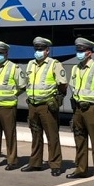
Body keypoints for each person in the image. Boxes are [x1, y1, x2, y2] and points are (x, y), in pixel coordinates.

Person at [67, 37, 94, 182]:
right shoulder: (75, 68)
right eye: (77, 50)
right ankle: (81, 169)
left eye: (82, 51)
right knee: (79, 139)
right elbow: (72, 86)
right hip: (78, 108)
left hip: (92, 108)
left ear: (89, 53)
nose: (79, 53)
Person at [22, 37, 68, 176]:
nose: (38, 52)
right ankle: (35, 163)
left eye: (41, 49)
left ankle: (55, 164)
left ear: (47, 51)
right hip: (33, 105)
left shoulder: (54, 64)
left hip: (47, 106)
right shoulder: (31, 64)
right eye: (36, 49)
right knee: (35, 135)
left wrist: (57, 98)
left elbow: (63, 85)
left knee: (52, 136)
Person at [0, 41, 27, 170]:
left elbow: (22, 86)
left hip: (7, 106)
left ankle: (12, 161)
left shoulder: (14, 68)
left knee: (9, 134)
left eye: (1, 53)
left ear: (6, 54)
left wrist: (13, 95)